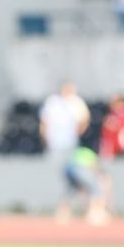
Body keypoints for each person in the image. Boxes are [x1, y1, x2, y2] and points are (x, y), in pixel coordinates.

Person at [39, 82, 90, 221]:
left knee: (72, 176)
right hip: (55, 145)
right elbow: (44, 122)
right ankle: (66, 208)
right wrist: (45, 138)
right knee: (64, 177)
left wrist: (78, 132)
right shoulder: (53, 102)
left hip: (70, 145)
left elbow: (85, 119)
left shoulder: (76, 102)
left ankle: (66, 208)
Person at [98, 94, 124, 215]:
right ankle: (106, 204)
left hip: (117, 151)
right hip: (110, 152)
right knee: (104, 178)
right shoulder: (114, 115)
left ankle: (107, 205)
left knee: (105, 179)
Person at [63, 146, 110, 226]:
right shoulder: (92, 155)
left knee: (72, 189)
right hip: (78, 168)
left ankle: (63, 213)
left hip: (68, 168)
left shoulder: (81, 150)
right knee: (95, 187)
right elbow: (96, 169)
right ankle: (94, 213)